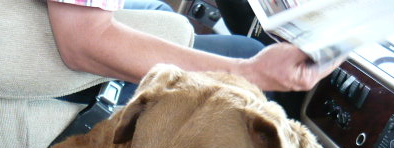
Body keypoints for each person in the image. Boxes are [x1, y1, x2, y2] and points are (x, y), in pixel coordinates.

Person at [46, 0, 340, 93]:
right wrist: (249, 74)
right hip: (62, 52)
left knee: (160, 11)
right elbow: (84, 41)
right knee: (246, 51)